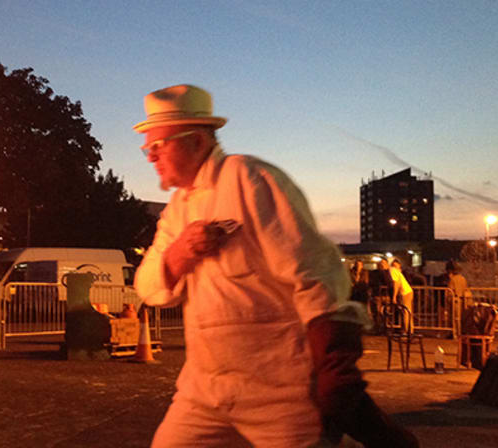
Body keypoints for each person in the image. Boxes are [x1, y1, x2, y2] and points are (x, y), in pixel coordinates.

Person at [132, 84, 416, 448]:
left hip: (280, 391)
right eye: (147, 148)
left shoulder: (248, 178)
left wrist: (334, 364)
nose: (150, 157)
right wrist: (178, 255)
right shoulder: (177, 210)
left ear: (197, 142)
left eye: (158, 145)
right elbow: (148, 288)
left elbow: (313, 270)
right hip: (203, 390)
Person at [390, 259, 415, 329]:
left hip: (404, 293)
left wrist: (394, 296)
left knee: (405, 312)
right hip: (407, 292)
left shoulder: (393, 271)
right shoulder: (396, 271)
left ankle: (407, 331)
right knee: (407, 312)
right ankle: (408, 330)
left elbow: (396, 283)